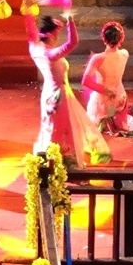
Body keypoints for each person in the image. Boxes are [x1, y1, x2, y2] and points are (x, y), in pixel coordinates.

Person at [30, 12, 111, 164]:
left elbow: (30, 32)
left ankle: (52, 154)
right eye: (55, 35)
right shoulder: (51, 54)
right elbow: (72, 42)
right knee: (63, 126)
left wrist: (29, 14)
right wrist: (70, 22)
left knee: (51, 125)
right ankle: (63, 158)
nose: (56, 38)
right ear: (50, 36)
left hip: (49, 94)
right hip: (59, 96)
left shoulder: (35, 50)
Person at [81, 22, 133, 136]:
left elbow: (85, 81)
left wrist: (105, 90)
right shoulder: (125, 53)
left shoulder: (98, 58)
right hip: (120, 98)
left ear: (104, 39)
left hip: (104, 101)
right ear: (121, 39)